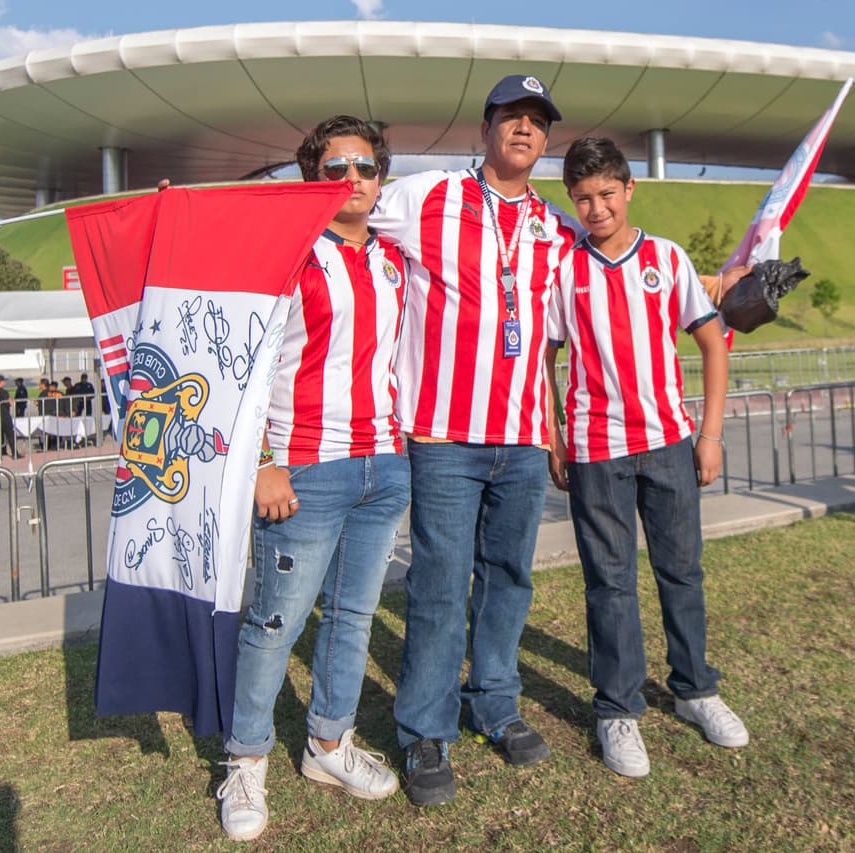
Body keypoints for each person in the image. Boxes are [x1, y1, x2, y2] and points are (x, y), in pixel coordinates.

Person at [362, 74, 580, 806]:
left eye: (538, 122)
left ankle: (493, 698)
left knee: (509, 579)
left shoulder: (555, 230)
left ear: (547, 141)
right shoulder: (427, 198)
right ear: (484, 128)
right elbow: (342, 203)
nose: (525, 129)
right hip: (445, 435)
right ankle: (425, 725)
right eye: (512, 117)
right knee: (438, 582)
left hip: (519, 438)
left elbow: (566, 329)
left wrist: (551, 428)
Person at [218, 116, 410, 841]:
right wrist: (263, 460)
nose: (352, 179)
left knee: (353, 619)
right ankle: (246, 759)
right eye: (335, 169)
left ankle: (328, 744)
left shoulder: (394, 260)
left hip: (383, 466)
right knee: (274, 623)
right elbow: (245, 358)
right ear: (312, 181)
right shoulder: (289, 255)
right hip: (303, 468)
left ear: (379, 177)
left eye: (364, 166)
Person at [545, 137, 748, 778]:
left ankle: (695, 690)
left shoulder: (666, 257)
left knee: (681, 573)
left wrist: (708, 435)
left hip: (667, 443)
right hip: (594, 449)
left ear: (629, 189)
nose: (596, 207)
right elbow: (542, 357)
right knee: (609, 583)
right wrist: (554, 434)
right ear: (571, 200)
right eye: (583, 197)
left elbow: (713, 344)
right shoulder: (563, 268)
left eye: (606, 194)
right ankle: (617, 710)